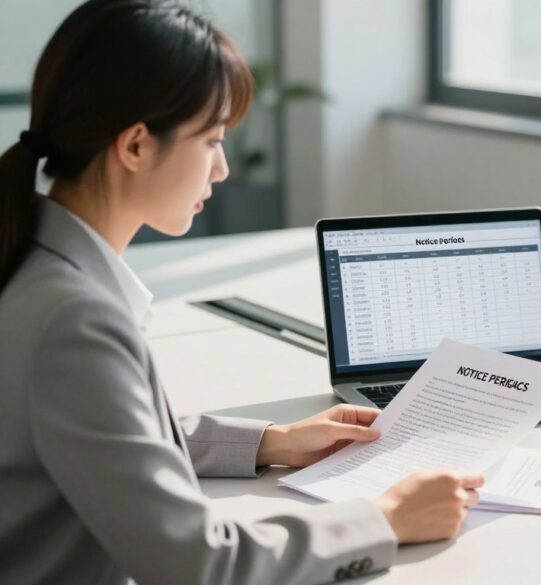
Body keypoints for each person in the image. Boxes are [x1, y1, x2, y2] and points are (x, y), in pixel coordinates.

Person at [0, 2, 482, 584]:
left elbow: (100, 437)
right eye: (211, 140)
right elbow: (198, 564)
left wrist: (272, 442)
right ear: (134, 145)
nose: (223, 168)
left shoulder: (33, 259)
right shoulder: (72, 320)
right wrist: (383, 519)